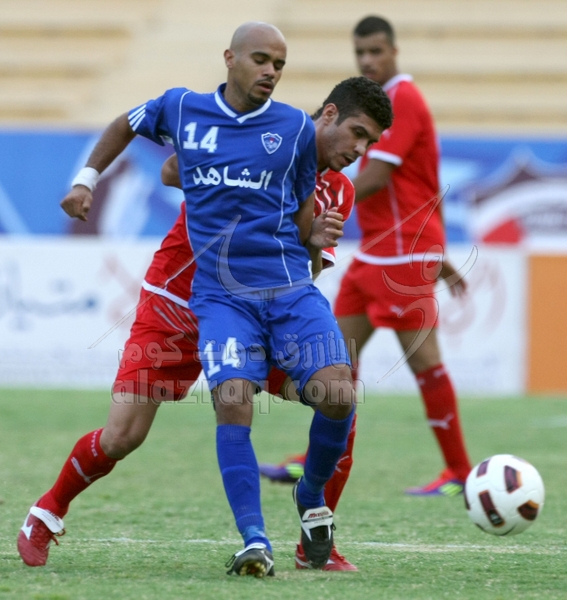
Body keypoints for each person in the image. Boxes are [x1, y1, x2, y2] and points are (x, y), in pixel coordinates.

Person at [16, 20, 391, 576]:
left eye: (370, 144)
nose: (358, 151)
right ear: (329, 115)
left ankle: (314, 532)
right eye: (356, 135)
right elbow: (173, 166)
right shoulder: (242, 130)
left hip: (255, 312)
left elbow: (308, 271)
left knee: (337, 395)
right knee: (123, 436)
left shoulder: (335, 189)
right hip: (175, 301)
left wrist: (309, 241)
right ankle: (47, 511)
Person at [260, 15, 473, 502]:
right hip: (379, 252)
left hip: (402, 253)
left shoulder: (402, 99)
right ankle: (318, 455)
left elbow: (374, 177)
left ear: (394, 51)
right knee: (336, 357)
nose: (368, 60)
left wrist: (313, 191)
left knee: (424, 362)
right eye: (361, 53)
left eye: (376, 51)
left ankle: (460, 469)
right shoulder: (378, 104)